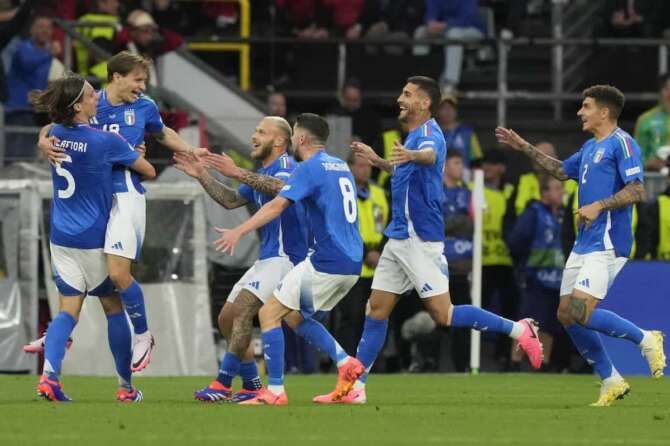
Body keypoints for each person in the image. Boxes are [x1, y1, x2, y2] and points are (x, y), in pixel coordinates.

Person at [315, 76, 543, 405]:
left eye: (407, 94)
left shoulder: (430, 135)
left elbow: (428, 157)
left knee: (444, 315)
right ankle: (356, 388)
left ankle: (520, 331)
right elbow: (407, 170)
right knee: (376, 311)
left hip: (422, 240)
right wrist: (378, 160)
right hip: (398, 237)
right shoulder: (411, 137)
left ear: (424, 103)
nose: (400, 99)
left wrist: (410, 154)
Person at [496, 84, 666, 406]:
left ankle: (646, 338)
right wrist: (523, 146)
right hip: (584, 242)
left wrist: (599, 205)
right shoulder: (590, 147)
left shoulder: (623, 143)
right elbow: (561, 170)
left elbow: (637, 190)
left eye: (585, 106)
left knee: (581, 312)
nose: (579, 112)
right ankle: (611, 381)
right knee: (565, 314)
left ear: (604, 112)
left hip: (608, 242)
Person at [33, 51, 203, 372]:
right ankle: (62, 332)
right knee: (95, 283)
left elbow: (162, 133)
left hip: (126, 195)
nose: (142, 87)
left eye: (145, 81)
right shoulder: (92, 102)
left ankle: (142, 335)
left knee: (117, 275)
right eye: (137, 80)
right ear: (116, 77)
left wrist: (191, 150)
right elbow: (55, 125)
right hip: (97, 199)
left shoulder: (145, 107)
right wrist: (43, 141)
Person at [172, 116, 330, 403]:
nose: (254, 136)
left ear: (280, 141)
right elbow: (231, 200)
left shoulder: (288, 168)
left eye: (261, 132)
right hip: (267, 257)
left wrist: (237, 172)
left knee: (245, 309)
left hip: (287, 259)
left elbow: (278, 189)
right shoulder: (263, 170)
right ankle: (252, 384)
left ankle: (222, 383)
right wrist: (202, 175)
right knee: (226, 319)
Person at [212, 113, 365, 405]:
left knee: (268, 313)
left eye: (294, 134)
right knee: (294, 317)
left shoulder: (308, 167)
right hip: (352, 262)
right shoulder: (340, 165)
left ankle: (275, 392)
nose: (293, 139)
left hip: (327, 259)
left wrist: (239, 231)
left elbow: (277, 206)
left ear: (302, 139)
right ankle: (347, 366)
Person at [28, 74, 155, 402]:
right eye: (89, 95)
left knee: (68, 310)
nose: (96, 97)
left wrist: (43, 137)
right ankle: (126, 388)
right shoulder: (104, 142)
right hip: (92, 239)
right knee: (113, 308)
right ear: (78, 106)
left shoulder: (55, 134)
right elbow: (148, 170)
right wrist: (131, 150)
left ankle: (49, 379)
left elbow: (48, 130)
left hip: (60, 237)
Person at [507, 175, 565, 371]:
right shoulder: (533, 213)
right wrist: (524, 266)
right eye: (556, 189)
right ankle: (514, 362)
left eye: (561, 188)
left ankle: (542, 363)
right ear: (544, 193)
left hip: (557, 278)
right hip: (535, 277)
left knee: (550, 324)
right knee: (527, 321)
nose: (561, 192)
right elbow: (516, 241)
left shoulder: (563, 215)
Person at [334, 151, 389, 356]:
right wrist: (367, 253)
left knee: (376, 317)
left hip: (379, 267)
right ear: (349, 167)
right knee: (351, 317)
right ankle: (346, 361)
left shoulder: (380, 193)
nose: (365, 170)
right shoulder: (343, 194)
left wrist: (380, 251)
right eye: (360, 165)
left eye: (368, 166)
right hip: (354, 264)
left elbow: (390, 224)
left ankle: (372, 363)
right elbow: (342, 227)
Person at [5, 15, 61, 162]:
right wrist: (50, 53)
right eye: (40, 26)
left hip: (34, 110)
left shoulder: (48, 53)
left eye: (48, 27)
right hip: (17, 109)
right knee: (14, 157)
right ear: (31, 29)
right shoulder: (24, 48)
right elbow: (27, 62)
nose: (44, 31)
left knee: (28, 155)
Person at [442, 149, 472, 372]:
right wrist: (456, 223)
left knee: (462, 319)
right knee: (435, 318)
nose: (460, 167)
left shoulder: (468, 193)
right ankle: (429, 364)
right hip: (438, 266)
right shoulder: (435, 191)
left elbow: (474, 225)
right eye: (455, 162)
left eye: (461, 163)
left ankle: (461, 366)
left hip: (461, 267)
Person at [418, 0, 485, 93]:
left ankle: (450, 83)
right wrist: (431, 23)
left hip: (472, 30)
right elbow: (430, 14)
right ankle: (419, 81)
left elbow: (468, 19)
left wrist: (446, 25)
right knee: (421, 32)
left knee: (453, 34)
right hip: (445, 29)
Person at [435, 95, 482, 174]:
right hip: (437, 175)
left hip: (463, 176)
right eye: (444, 108)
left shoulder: (468, 132)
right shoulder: (430, 132)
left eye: (451, 108)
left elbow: (476, 160)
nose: (448, 111)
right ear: (436, 111)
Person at [634, 72, 670, 172]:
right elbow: (634, 159)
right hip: (655, 182)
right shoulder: (645, 120)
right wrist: (650, 163)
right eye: (667, 90)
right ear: (661, 92)